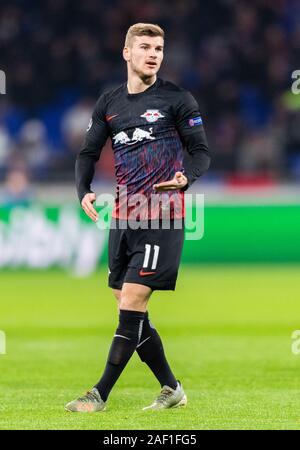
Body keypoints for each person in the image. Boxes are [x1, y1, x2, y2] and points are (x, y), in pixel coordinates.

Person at [66, 23, 210, 413]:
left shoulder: (178, 99)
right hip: (124, 214)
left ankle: (98, 394)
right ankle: (171, 387)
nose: (153, 54)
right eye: (145, 47)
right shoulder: (109, 103)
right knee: (130, 309)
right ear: (126, 52)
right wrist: (85, 190)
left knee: (131, 301)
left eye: (159, 48)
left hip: (163, 215)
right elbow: (87, 154)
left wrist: (186, 177)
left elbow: (200, 152)